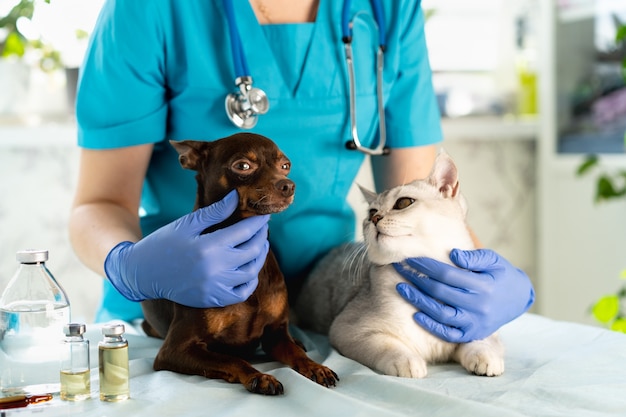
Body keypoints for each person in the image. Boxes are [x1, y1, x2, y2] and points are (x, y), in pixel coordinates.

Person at [69, 0, 534, 343]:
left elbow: (415, 203)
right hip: (178, 313)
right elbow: (99, 203)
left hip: (327, 310)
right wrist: (130, 266)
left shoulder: (388, 9)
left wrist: (485, 281)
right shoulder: (148, 10)